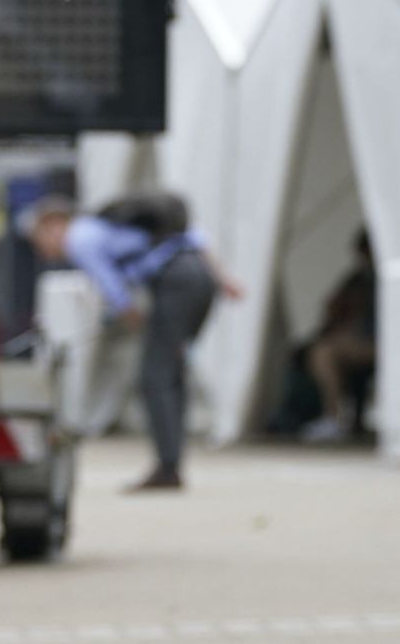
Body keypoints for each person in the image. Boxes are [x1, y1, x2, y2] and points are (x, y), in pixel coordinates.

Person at [28, 193, 242, 492]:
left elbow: (113, 288)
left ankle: (168, 467)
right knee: (171, 371)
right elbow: (195, 237)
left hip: (175, 284)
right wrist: (223, 278)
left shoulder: (80, 237)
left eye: (38, 237)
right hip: (199, 279)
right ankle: (172, 462)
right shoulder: (112, 226)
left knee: (154, 377)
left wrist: (131, 318)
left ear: (53, 224)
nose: (41, 248)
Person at [300, 230, 377, 443]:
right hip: (362, 338)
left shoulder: (376, 279)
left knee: (323, 354)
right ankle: (338, 416)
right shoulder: (359, 278)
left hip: (375, 341)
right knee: (321, 349)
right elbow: (334, 305)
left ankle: (333, 417)